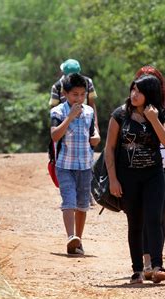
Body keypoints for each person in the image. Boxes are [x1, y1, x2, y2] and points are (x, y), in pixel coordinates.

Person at [104, 75, 165, 284]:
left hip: (154, 175)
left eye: (139, 91)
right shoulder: (120, 114)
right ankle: (137, 271)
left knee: (154, 219)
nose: (134, 94)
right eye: (132, 90)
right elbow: (109, 148)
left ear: (150, 93)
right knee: (135, 223)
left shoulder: (162, 114)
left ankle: (157, 265)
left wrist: (153, 120)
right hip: (128, 177)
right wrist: (113, 179)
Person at [134, 66, 165, 280]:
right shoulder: (132, 109)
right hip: (140, 168)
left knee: (158, 216)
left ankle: (156, 262)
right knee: (143, 216)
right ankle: (147, 262)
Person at [50, 73, 100, 255]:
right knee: (69, 201)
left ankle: (78, 241)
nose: (79, 98)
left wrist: (96, 138)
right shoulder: (57, 112)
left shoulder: (89, 112)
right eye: (74, 95)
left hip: (85, 165)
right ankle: (70, 236)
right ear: (65, 94)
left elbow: (94, 134)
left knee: (82, 205)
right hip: (64, 165)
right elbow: (55, 135)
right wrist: (70, 117)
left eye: (82, 94)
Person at [49, 59, 99, 130]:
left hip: (85, 120)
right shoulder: (57, 86)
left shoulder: (87, 82)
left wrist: (95, 124)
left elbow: (91, 103)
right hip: (65, 124)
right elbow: (53, 107)